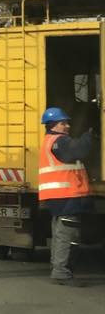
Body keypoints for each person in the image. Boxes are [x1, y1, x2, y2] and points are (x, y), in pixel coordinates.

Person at [38, 106, 93, 285]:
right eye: (64, 123)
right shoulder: (58, 141)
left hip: (60, 196)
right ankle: (61, 272)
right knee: (67, 234)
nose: (67, 126)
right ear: (53, 125)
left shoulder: (52, 140)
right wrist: (91, 135)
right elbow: (76, 151)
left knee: (60, 232)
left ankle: (59, 268)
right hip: (65, 195)